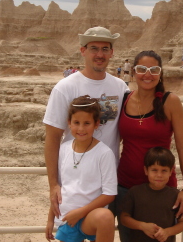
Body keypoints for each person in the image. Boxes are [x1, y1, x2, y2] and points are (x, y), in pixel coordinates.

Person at [43, 26, 128, 220]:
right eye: (94, 48)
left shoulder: (120, 87)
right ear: (83, 51)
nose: (100, 54)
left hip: (106, 182)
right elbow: (53, 137)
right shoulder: (65, 87)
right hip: (74, 185)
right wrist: (53, 184)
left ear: (112, 52)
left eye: (105, 49)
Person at [116, 50, 183, 242]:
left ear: (160, 74)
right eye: (142, 69)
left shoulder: (170, 101)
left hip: (162, 189)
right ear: (133, 72)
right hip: (126, 187)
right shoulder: (123, 100)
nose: (147, 74)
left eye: (153, 69)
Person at [45, 95, 117, 242]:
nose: (81, 128)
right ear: (69, 123)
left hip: (89, 218)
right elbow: (59, 189)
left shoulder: (104, 153)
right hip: (67, 219)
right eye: (76, 122)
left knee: (106, 217)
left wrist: (81, 212)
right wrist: (50, 219)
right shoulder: (64, 149)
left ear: (96, 124)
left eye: (87, 123)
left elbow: (109, 194)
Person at [120, 147, 183, 242]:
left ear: (171, 171)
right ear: (146, 170)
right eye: (154, 170)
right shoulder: (134, 192)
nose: (159, 175)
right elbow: (124, 218)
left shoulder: (176, 196)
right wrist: (142, 226)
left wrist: (167, 232)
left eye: (164, 170)